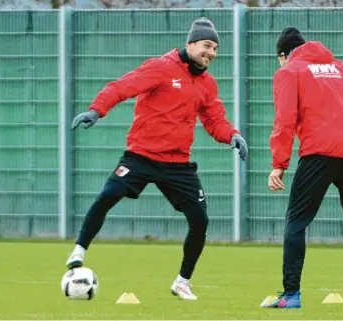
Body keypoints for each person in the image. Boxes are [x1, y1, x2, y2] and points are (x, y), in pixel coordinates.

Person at [65, 17, 248, 301]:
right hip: (142, 156)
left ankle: (182, 282)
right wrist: (96, 110)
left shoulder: (207, 85)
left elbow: (215, 120)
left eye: (215, 48)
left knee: (200, 220)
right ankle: (79, 250)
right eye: (206, 45)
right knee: (109, 194)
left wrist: (232, 135)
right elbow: (120, 87)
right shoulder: (160, 67)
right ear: (190, 44)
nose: (211, 52)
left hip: (178, 164)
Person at [260, 27, 343, 309]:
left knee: (296, 222)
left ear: (283, 55)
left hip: (319, 152)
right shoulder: (342, 68)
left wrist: (279, 164)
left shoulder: (289, 71)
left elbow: (285, 119)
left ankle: (291, 295)